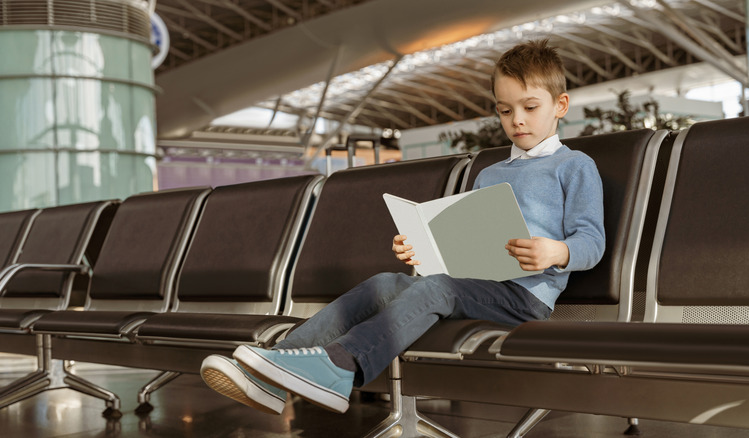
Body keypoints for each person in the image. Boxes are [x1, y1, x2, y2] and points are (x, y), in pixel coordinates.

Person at [199, 39, 606, 415]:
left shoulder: (574, 166)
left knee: (437, 287)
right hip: (473, 286)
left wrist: (557, 252)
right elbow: (470, 244)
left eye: (530, 107)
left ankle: (341, 368)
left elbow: (592, 240)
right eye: (504, 110)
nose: (516, 120)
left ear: (560, 104)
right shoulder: (489, 173)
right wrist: (427, 247)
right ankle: (271, 370)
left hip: (524, 299)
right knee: (383, 283)